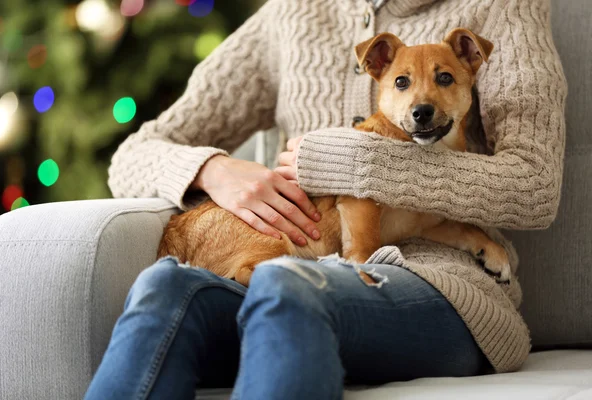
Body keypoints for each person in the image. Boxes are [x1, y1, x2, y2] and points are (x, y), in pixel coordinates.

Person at [85, 0, 567, 398]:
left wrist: (358, 164)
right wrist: (214, 169)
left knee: (286, 285)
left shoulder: (502, 6)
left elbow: (535, 185)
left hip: (445, 291)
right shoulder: (290, 14)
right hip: (275, 265)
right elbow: (133, 154)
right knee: (164, 287)